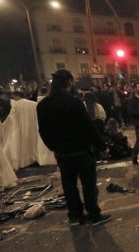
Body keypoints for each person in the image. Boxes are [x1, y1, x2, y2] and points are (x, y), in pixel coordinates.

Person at [37, 70, 111, 226]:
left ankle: (75, 215)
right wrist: (101, 146)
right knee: (89, 184)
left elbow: (43, 131)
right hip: (81, 150)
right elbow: (87, 127)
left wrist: (53, 147)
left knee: (69, 185)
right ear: (69, 82)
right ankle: (93, 215)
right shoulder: (74, 102)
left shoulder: (43, 105)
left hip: (62, 153)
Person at [2, 92, 40, 170]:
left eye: (14, 97)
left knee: (21, 144)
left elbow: (11, 118)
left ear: (17, 95)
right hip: (32, 127)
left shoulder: (16, 105)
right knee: (32, 142)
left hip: (19, 127)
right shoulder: (33, 104)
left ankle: (24, 160)